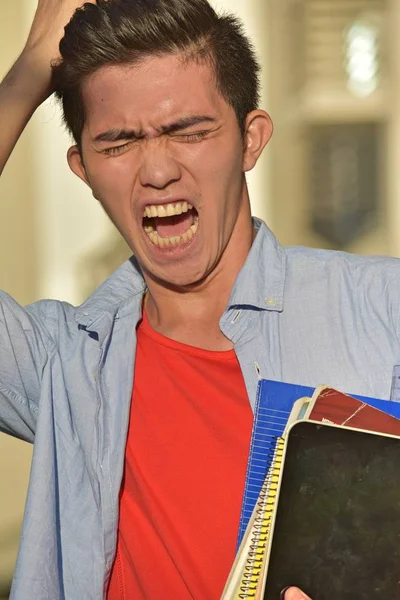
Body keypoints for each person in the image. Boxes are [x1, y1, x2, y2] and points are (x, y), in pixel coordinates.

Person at [0, 1, 399, 599]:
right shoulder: (64, 366)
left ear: (250, 140)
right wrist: (31, 71)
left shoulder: (381, 310)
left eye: (189, 131)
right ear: (82, 168)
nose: (157, 171)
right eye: (119, 143)